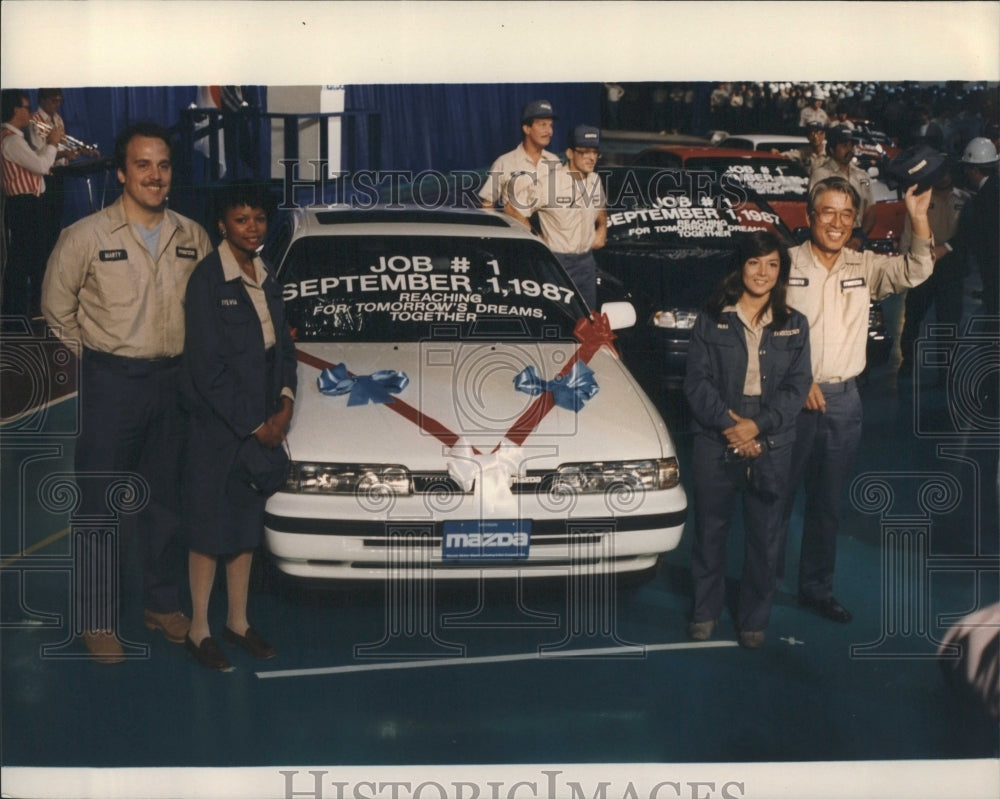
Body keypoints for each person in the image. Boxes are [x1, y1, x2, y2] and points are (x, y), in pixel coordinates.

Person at [41, 122, 212, 663]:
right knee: (99, 505)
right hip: (112, 382)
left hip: (174, 382)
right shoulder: (86, 237)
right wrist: (93, 359)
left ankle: (161, 605)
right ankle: (97, 619)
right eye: (142, 165)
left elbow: (207, 310)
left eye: (162, 166)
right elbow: (55, 308)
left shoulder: (193, 236)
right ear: (121, 172)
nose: (154, 176)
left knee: (166, 501)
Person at [778, 176, 934, 624]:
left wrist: (918, 217)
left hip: (844, 402)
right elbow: (762, 330)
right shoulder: (783, 265)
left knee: (827, 503)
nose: (837, 222)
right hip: (790, 400)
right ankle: (760, 583)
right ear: (809, 217)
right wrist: (793, 378)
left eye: (847, 214)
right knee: (775, 496)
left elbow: (915, 271)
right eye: (828, 212)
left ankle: (816, 589)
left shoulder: (863, 266)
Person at [181, 181, 295, 671]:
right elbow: (207, 368)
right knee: (210, 527)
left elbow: (284, 351)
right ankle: (199, 629)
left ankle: (238, 621)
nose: (252, 228)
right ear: (222, 225)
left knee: (245, 526)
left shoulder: (266, 273)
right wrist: (255, 424)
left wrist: (286, 403)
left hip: (265, 421)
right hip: (219, 428)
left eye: (259, 218)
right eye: (241, 219)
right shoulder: (208, 279)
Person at [684, 231, 812, 649]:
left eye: (772, 264)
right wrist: (731, 424)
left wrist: (759, 427)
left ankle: (753, 619)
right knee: (710, 529)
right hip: (718, 431)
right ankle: (705, 610)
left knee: (766, 534)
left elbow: (797, 388)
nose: (763, 272)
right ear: (741, 266)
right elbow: (697, 383)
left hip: (771, 434)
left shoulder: (794, 325)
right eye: (755, 262)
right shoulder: (712, 317)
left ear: (782, 271)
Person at [508, 124, 606, 309]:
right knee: (559, 320)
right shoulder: (549, 184)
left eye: (595, 152)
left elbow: (600, 205)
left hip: (586, 262)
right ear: (570, 153)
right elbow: (512, 208)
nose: (591, 157)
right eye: (584, 152)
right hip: (558, 264)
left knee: (588, 321)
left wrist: (602, 227)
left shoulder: (594, 180)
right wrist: (535, 239)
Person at [898, 160, 969, 376]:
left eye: (947, 171)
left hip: (951, 268)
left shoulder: (965, 200)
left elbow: (969, 235)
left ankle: (945, 370)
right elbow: (908, 232)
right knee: (913, 318)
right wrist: (905, 262)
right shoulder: (921, 199)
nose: (943, 176)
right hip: (923, 265)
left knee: (948, 322)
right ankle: (907, 361)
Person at [1, 89, 64, 318]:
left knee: (28, 259)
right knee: (23, 261)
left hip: (27, 205)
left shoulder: (15, 138)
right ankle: (16, 314)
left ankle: (23, 311)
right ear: (16, 110)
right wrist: (53, 144)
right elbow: (39, 166)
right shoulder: (12, 141)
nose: (29, 112)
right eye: (26, 107)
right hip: (24, 205)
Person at [478, 99, 559, 228]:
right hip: (519, 236)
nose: (549, 131)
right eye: (543, 125)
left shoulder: (555, 163)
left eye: (550, 125)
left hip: (552, 237)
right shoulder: (504, 163)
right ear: (527, 129)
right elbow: (487, 206)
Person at [810, 125, 876, 250]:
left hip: (857, 239)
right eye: (844, 145)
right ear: (832, 149)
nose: (849, 149)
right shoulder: (820, 175)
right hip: (830, 235)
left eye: (851, 145)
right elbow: (815, 212)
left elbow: (870, 210)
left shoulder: (863, 176)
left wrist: (859, 238)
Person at [956, 137, 998, 315]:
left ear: (974, 169)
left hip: (992, 259)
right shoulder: (992, 187)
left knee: (993, 302)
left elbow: (987, 232)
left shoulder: (987, 195)